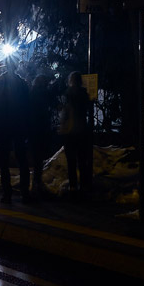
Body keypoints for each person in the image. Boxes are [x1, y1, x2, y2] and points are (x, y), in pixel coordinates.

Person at [0, 60, 30, 204]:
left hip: (3, 127)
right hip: (18, 126)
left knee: (4, 162)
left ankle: (7, 193)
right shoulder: (22, 84)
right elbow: (27, 107)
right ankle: (25, 192)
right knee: (22, 160)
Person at [60, 71, 91, 200]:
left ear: (70, 80)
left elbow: (64, 114)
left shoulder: (67, 94)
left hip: (70, 132)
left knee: (71, 161)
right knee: (82, 160)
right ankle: (84, 186)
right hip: (82, 131)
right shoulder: (85, 95)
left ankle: (73, 187)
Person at [28, 74, 51, 199]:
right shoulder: (44, 96)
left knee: (35, 159)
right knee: (39, 160)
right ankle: (37, 183)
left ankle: (35, 184)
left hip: (33, 131)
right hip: (41, 130)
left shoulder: (31, 95)